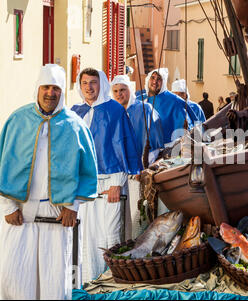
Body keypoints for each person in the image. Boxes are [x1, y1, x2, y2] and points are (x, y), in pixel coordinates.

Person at [0, 64, 98, 299]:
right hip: (19, 213)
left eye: (56, 88)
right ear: (38, 88)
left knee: (53, 283)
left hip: (57, 215)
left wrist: (72, 207)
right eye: (46, 87)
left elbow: (86, 172)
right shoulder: (17, 120)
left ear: (62, 91)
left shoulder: (75, 125)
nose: (50, 93)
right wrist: (8, 206)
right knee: (12, 277)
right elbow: (3, 162)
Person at [71, 68, 143, 284]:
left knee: (110, 233)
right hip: (84, 184)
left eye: (93, 82)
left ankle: (111, 280)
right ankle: (90, 282)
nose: (89, 87)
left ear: (101, 84)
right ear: (79, 85)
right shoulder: (75, 112)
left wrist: (116, 183)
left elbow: (122, 144)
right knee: (87, 235)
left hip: (110, 182)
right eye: (84, 83)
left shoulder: (114, 110)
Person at [111, 75, 164, 240]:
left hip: (138, 172)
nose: (120, 94)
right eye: (116, 91)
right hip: (117, 174)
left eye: (123, 90)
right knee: (118, 216)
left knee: (137, 214)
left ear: (130, 90)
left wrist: (144, 166)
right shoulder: (112, 113)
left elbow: (155, 142)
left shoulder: (144, 109)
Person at [144, 68, 195, 145]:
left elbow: (185, 128)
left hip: (166, 150)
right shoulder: (140, 99)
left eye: (159, 79)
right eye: (153, 77)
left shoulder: (175, 101)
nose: (155, 81)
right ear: (148, 79)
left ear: (163, 82)